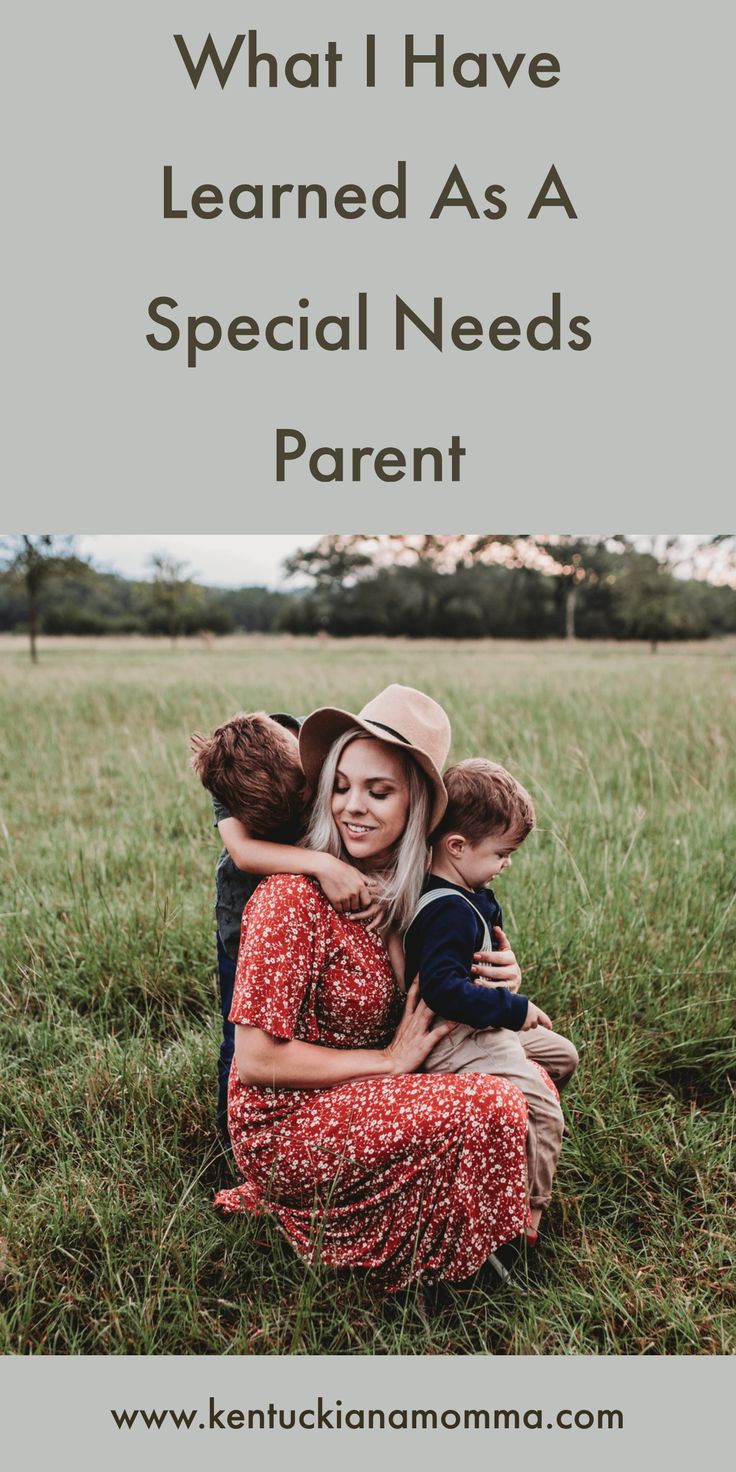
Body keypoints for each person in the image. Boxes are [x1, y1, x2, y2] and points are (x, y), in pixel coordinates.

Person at [213, 686, 530, 1292]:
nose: (351, 807)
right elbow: (254, 1062)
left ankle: (440, 1215)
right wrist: (388, 1062)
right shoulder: (291, 897)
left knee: (532, 1073)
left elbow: (461, 981)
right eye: (341, 786)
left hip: (374, 1092)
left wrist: (505, 977)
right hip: (289, 1122)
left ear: (419, 811)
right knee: (495, 1104)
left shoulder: (419, 895)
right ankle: (427, 1253)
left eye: (378, 792)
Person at [404, 758, 578, 1243]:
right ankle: (526, 1215)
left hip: (481, 1028)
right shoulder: (445, 912)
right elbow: (441, 989)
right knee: (545, 1106)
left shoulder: (467, 889)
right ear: (457, 847)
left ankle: (510, 1145)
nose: (507, 863)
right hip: (456, 1038)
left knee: (563, 1055)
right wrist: (515, 1010)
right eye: (502, 853)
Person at [191, 710, 380, 1134]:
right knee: (242, 1029)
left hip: (316, 909)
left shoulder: (311, 746)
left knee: (313, 1016)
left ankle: (313, 1106)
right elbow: (243, 851)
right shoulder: (229, 770)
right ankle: (234, 1139)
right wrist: (321, 865)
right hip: (244, 908)